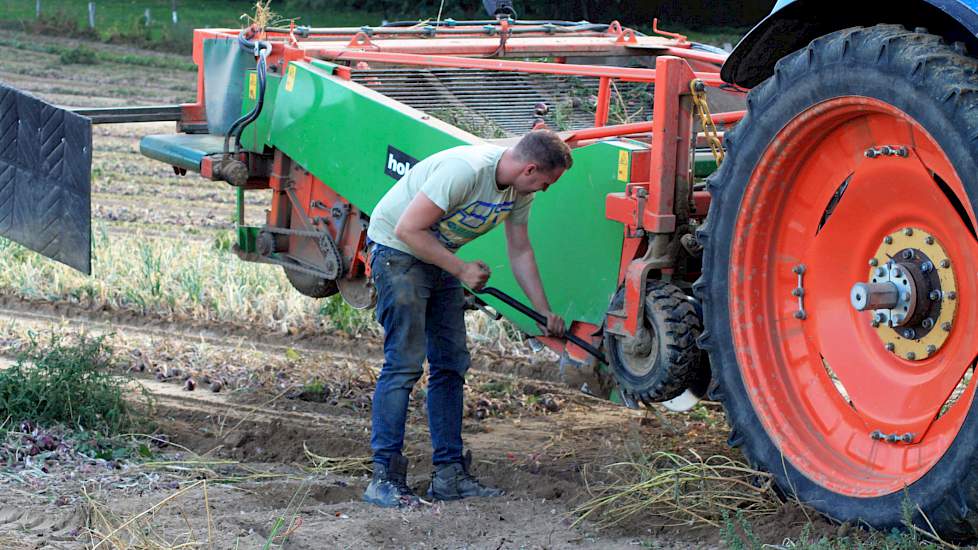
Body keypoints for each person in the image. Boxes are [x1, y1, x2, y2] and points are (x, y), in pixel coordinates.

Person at [362, 130, 573, 508]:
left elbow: (520, 250)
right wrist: (460, 269)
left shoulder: (518, 192)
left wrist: (542, 311)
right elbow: (407, 229)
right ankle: (384, 479)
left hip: (438, 255)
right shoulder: (466, 170)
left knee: (451, 363)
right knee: (404, 364)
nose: (544, 190)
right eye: (546, 182)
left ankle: (449, 475)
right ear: (530, 169)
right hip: (398, 253)